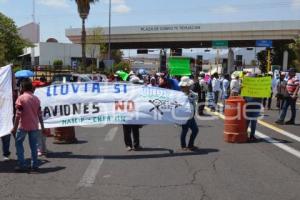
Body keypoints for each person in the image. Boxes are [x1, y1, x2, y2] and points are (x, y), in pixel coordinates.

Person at [11, 79, 44, 171]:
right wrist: (43, 126)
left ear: (23, 88)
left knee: (18, 144)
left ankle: (22, 165)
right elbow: (39, 114)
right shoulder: (36, 99)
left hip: (23, 126)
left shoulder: (21, 98)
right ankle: (35, 165)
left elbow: (18, 115)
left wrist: (14, 128)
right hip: (34, 126)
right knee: (34, 146)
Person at [178, 76, 199, 151]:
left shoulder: (191, 93)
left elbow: (195, 97)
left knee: (195, 130)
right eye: (182, 86)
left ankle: (190, 145)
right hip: (185, 116)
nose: (183, 87)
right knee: (185, 130)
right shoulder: (179, 95)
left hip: (191, 116)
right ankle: (183, 145)